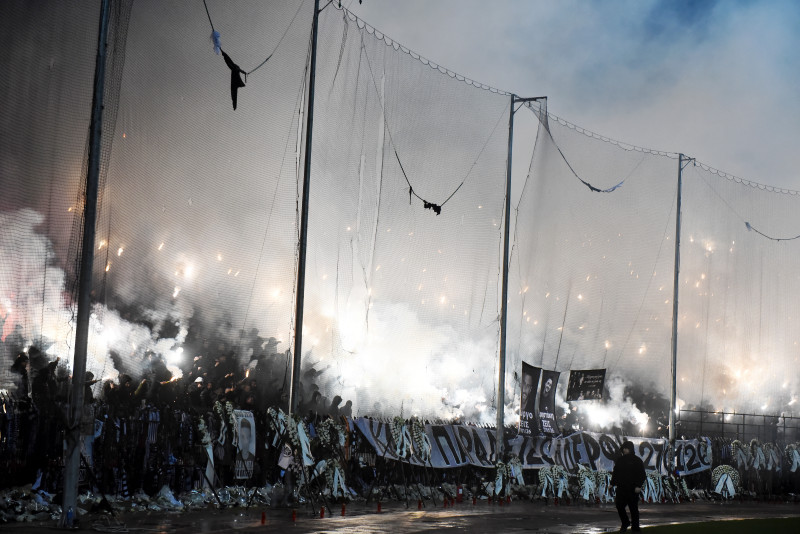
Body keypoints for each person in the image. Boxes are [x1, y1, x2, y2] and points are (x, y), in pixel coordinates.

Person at [611, 440, 646, 532]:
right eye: (623, 449)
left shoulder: (637, 460)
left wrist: (638, 485)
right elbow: (616, 472)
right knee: (619, 506)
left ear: (629, 449)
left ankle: (635, 527)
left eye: (625, 448)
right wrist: (612, 483)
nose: (624, 450)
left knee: (633, 508)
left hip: (632, 488)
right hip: (622, 488)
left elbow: (642, 474)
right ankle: (626, 522)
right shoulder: (620, 460)